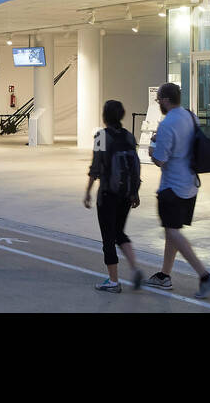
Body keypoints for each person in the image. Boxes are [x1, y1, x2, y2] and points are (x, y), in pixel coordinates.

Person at [146, 82, 210, 298]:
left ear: (166, 101)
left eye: (159, 100)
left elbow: (160, 159)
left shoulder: (167, 124)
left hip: (172, 187)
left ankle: (205, 276)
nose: (158, 103)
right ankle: (164, 275)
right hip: (190, 184)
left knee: (172, 231)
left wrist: (152, 148)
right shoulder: (190, 116)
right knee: (173, 230)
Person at [83, 99, 144, 293]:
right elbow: (135, 166)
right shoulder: (128, 136)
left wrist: (88, 192)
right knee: (119, 232)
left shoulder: (101, 136)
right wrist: (135, 191)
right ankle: (134, 268)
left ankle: (113, 281)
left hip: (108, 193)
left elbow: (96, 167)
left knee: (108, 237)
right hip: (126, 194)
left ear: (105, 116)